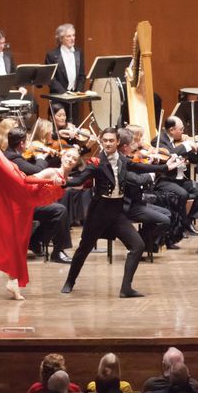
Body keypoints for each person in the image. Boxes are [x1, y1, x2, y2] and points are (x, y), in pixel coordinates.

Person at [0, 96, 66, 300]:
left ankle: (13, 280)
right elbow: (26, 179)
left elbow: (31, 178)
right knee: (14, 245)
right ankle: (13, 280)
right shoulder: (6, 161)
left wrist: (52, 178)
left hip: (20, 205)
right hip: (14, 205)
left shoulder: (9, 159)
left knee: (18, 245)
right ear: (22, 144)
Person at [60, 126, 168, 298]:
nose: (108, 143)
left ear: (117, 142)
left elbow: (139, 167)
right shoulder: (96, 162)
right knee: (84, 249)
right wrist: (63, 181)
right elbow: (80, 179)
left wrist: (165, 167)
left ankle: (126, 288)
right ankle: (69, 281)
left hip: (117, 212)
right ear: (102, 142)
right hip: (99, 212)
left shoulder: (123, 160)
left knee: (138, 246)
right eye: (105, 141)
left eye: (111, 140)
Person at [2, 127, 73, 263]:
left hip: (17, 200)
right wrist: (41, 158)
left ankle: (34, 241)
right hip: (19, 204)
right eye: (27, 141)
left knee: (54, 205)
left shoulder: (8, 155)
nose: (29, 144)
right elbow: (36, 170)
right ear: (21, 143)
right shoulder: (14, 158)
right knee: (60, 210)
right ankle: (58, 252)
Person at [44, 23, 85, 122]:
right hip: (59, 98)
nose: (72, 38)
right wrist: (64, 93)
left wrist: (78, 92)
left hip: (74, 99)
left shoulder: (79, 52)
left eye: (73, 35)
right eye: (68, 36)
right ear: (61, 38)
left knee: (74, 125)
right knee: (59, 126)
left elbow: (82, 75)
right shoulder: (52, 55)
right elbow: (50, 78)